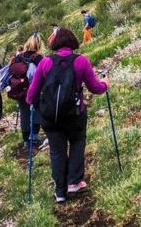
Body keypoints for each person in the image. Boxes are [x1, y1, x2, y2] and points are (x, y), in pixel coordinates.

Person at [26, 27, 108, 203]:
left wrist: (39, 108)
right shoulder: (81, 61)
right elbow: (96, 88)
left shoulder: (45, 62)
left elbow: (31, 94)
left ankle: (60, 192)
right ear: (72, 41)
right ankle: (74, 182)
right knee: (77, 142)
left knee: (57, 152)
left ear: (55, 42)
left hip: (50, 118)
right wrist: (105, 83)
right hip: (74, 114)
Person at [7, 32, 44, 146]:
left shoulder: (18, 57)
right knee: (36, 110)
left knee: (24, 113)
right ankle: (35, 135)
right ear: (39, 45)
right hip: (33, 89)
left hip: (19, 89)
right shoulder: (38, 58)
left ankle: (26, 139)